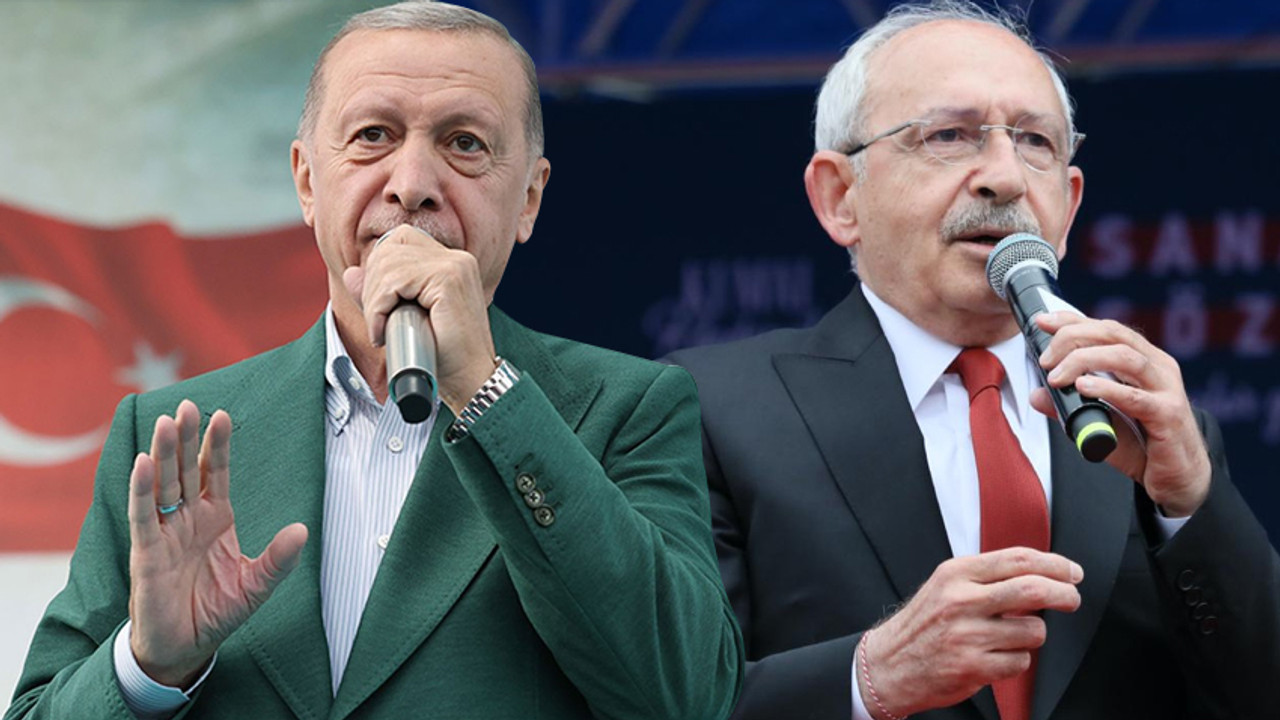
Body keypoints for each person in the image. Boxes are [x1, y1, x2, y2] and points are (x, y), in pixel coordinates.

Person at [7, 3, 742, 719]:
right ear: (306, 181)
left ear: (528, 198)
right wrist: (148, 666)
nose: (411, 183)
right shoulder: (171, 431)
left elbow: (688, 695)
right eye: (372, 135)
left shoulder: (628, 409)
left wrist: (488, 393)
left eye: (464, 143)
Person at [665, 2, 1280, 719]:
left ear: (1068, 205)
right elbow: (666, 699)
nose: (1005, 177)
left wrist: (1194, 504)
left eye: (1035, 141)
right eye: (949, 136)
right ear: (840, 197)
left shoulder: (1146, 425)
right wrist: (870, 679)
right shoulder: (706, 410)